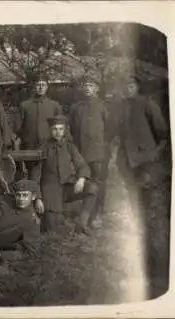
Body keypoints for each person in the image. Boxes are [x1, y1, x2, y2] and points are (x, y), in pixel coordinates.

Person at [108, 75, 169, 219]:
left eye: (131, 86)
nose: (128, 89)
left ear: (137, 87)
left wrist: (155, 150)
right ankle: (137, 216)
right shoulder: (119, 106)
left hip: (145, 156)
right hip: (125, 156)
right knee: (131, 187)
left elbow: (161, 130)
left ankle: (149, 216)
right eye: (125, 86)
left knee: (146, 187)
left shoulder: (147, 103)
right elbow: (111, 129)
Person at [30, 115, 98, 234]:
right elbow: (35, 176)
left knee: (93, 188)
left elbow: (83, 166)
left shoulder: (69, 146)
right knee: (52, 229)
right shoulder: (43, 148)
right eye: (55, 129)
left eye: (61, 129)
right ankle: (61, 222)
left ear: (65, 130)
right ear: (50, 130)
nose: (58, 132)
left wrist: (81, 179)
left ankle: (81, 224)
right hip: (51, 191)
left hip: (68, 186)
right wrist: (38, 198)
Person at [67, 73, 109, 228]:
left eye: (91, 85)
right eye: (85, 85)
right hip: (80, 153)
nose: (87, 88)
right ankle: (85, 212)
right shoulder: (75, 107)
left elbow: (109, 130)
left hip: (98, 153)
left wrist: (104, 148)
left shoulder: (102, 106)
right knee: (85, 181)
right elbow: (70, 129)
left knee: (99, 182)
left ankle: (98, 214)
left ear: (97, 89)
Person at [15, 74, 64, 176]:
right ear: (34, 87)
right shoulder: (25, 105)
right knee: (33, 176)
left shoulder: (54, 105)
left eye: (43, 85)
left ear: (47, 87)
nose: (41, 87)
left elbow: (62, 129)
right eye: (38, 85)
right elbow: (17, 128)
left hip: (49, 147)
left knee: (49, 175)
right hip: (29, 148)